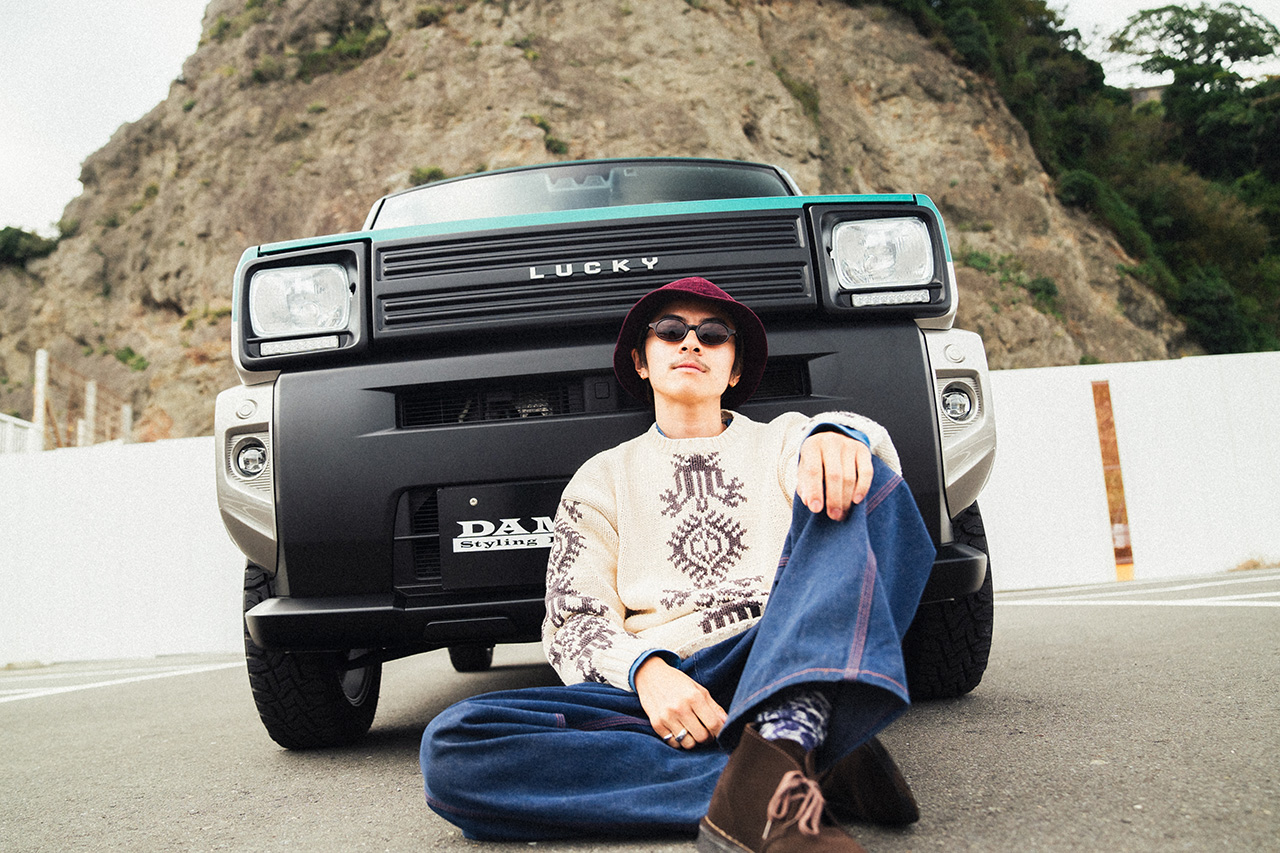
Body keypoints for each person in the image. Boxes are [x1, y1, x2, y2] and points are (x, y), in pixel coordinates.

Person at [421, 277, 936, 853]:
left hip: (775, 652)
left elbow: (870, 461)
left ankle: (786, 731)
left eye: (714, 335)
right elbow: (573, 621)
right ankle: (789, 769)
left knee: (864, 479)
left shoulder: (784, 440)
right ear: (641, 361)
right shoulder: (601, 478)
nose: (692, 342)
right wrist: (648, 673)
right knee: (455, 745)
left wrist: (839, 435)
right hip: (663, 685)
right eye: (670, 331)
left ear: (735, 370)